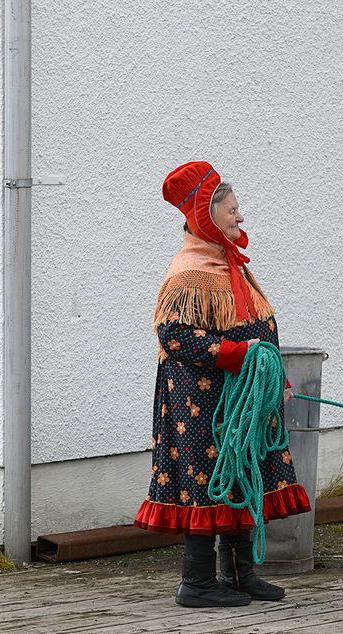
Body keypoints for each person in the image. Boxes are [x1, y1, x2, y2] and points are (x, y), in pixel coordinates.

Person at [134, 160, 311, 607]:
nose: (240, 217)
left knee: (243, 471)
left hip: (240, 398)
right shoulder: (188, 271)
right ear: (207, 215)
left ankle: (238, 575)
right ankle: (196, 583)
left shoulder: (230, 265)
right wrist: (236, 355)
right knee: (205, 477)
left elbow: (258, 327)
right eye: (232, 209)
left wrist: (276, 378)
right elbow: (173, 336)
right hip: (199, 400)